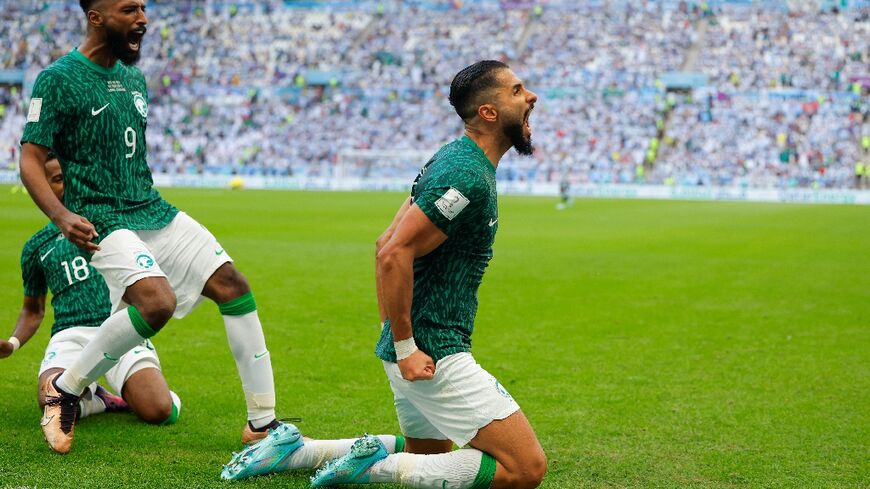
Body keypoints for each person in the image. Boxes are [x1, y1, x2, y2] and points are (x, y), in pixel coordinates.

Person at [19, 0, 281, 454]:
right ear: (96, 17)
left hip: (150, 208)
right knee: (156, 303)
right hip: (101, 217)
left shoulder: (134, 77)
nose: (142, 17)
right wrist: (61, 217)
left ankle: (263, 425)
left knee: (233, 286)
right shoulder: (57, 79)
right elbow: (29, 159)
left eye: (143, 7)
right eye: (129, 9)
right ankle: (69, 387)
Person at [309, 60, 547, 488]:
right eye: (517, 91)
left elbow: (385, 243)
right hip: (435, 350)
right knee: (524, 468)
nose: (530, 97)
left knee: (432, 457)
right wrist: (405, 345)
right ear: (489, 113)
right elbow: (393, 252)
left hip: (416, 347)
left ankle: (298, 451)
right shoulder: (465, 174)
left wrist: (394, 335)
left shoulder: (454, 156)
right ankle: (370, 470)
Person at [1, 154, 181, 426]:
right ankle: (97, 399)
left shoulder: (111, 225)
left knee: (159, 412)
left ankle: (131, 391)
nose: (68, 184)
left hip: (120, 328)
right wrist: (13, 343)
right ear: (43, 188)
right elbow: (33, 310)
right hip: (70, 334)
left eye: (67, 176)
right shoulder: (36, 247)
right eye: (58, 180)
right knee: (49, 401)